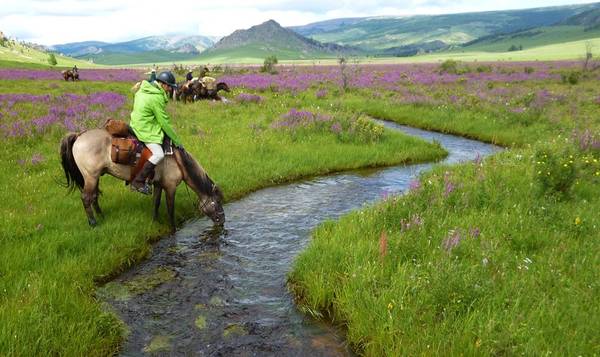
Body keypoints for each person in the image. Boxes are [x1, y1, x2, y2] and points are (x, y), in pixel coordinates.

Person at [129, 71, 183, 195]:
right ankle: (138, 181)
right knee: (159, 154)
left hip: (137, 122)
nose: (170, 89)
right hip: (144, 127)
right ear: (163, 84)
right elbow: (164, 122)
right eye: (169, 86)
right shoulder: (156, 97)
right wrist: (176, 140)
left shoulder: (146, 88)